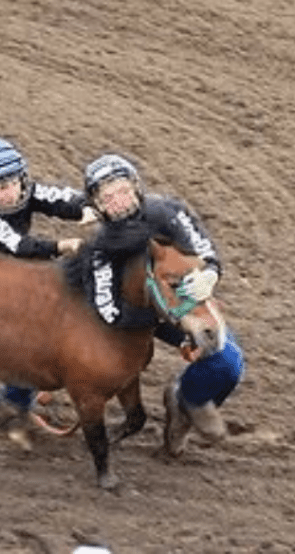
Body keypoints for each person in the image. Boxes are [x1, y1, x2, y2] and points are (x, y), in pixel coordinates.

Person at [82, 153, 245, 456]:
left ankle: (186, 401)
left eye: (123, 191)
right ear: (98, 205)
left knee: (227, 360)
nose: (118, 202)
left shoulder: (166, 213)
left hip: (179, 298)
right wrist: (164, 315)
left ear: (136, 188)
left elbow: (203, 250)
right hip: (134, 318)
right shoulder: (101, 249)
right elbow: (107, 309)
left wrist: (210, 274)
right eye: (108, 197)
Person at [0, 135, 94, 415]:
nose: (10, 192)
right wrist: (60, 246)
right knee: (29, 336)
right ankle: (16, 400)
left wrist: (86, 206)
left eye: (14, 182)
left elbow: (56, 198)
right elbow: (19, 245)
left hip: (12, 271)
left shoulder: (22, 191)